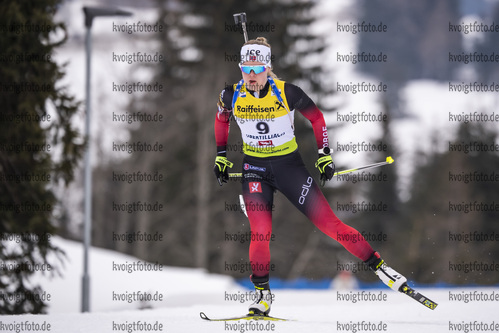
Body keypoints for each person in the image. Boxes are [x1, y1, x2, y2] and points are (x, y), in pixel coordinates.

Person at [213, 37, 406, 316]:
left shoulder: (287, 93)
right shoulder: (230, 95)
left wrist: (324, 154)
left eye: (257, 69)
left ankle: (381, 268)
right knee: (261, 231)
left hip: (288, 167)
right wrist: (220, 155)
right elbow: (221, 119)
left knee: (330, 225)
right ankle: (262, 296)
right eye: (246, 68)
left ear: (267, 68)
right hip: (254, 168)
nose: (251, 75)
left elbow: (316, 118)